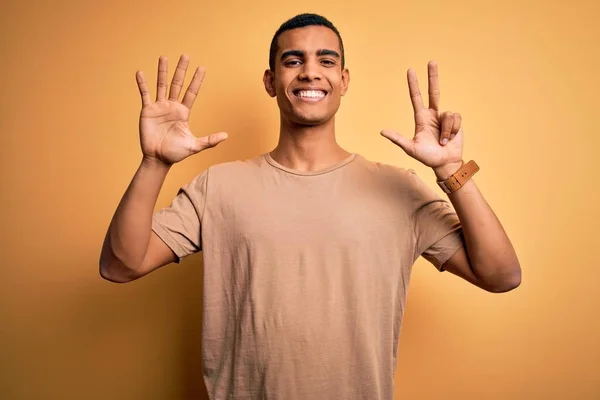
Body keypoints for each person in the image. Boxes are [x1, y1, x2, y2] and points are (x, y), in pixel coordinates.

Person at [99, 13, 521, 400]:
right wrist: (154, 163)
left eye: (326, 60)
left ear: (344, 78)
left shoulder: (399, 189)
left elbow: (501, 275)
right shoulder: (219, 187)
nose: (310, 72)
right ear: (270, 80)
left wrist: (451, 170)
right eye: (293, 60)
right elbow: (120, 265)